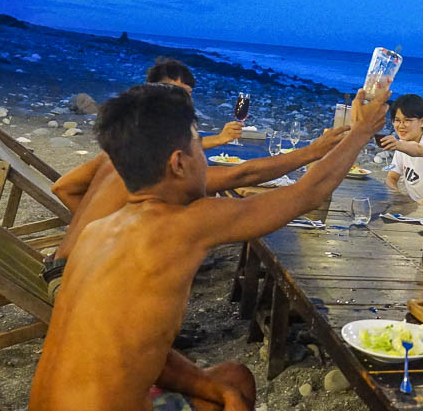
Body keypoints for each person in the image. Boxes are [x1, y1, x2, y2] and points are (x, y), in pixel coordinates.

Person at [23, 82, 389, 411]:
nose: (205, 154)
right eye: (199, 144)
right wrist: (360, 131)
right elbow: (308, 194)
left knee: (233, 379)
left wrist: (222, 393)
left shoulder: (98, 232)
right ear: (178, 162)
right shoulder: (183, 225)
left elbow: (140, 352)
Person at [46, 91, 349, 298]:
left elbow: (63, 187)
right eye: (195, 140)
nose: (202, 150)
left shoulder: (120, 160)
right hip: (77, 282)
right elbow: (246, 175)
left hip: (63, 265)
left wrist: (107, 233)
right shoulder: (168, 194)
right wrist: (315, 151)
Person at [146, 57, 242, 149]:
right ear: (154, 90)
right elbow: (173, 151)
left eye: (189, 92)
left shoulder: (174, 117)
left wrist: (220, 138)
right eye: (178, 91)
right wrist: (242, 167)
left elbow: (186, 145)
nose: (186, 98)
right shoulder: (144, 120)